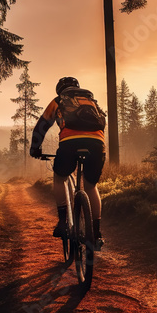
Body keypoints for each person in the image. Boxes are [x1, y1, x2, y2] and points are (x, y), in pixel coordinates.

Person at [29, 76, 106, 251]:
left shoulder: (59, 100)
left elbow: (42, 125)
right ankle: (96, 234)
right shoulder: (91, 100)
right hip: (97, 144)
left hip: (70, 143)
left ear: (60, 90)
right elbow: (102, 123)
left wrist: (35, 149)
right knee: (91, 186)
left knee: (60, 177)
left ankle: (63, 223)